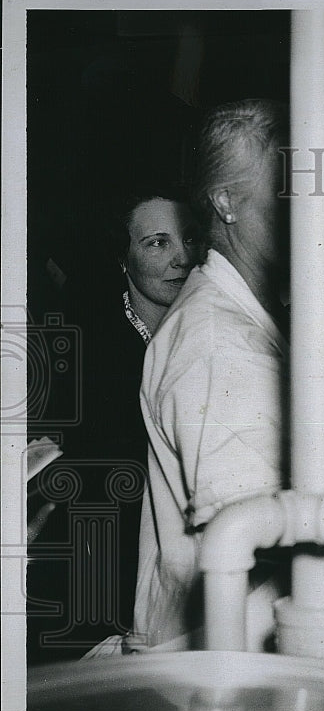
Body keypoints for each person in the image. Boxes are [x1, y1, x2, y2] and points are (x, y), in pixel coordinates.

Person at [130, 101, 324, 650]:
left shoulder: (248, 316)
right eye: (290, 189)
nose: (314, 210)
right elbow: (256, 535)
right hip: (246, 665)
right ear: (226, 203)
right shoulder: (216, 345)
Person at [27, 189, 200, 662]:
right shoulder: (85, 346)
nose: (180, 258)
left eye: (187, 240)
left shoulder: (213, 334)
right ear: (123, 258)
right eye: (156, 244)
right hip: (104, 561)